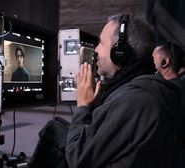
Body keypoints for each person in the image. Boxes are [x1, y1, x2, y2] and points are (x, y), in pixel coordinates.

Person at [65, 14, 182, 168]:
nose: (96, 49)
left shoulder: (134, 101)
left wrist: (83, 106)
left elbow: (77, 157)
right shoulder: (148, 88)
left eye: (101, 43)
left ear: (120, 52)